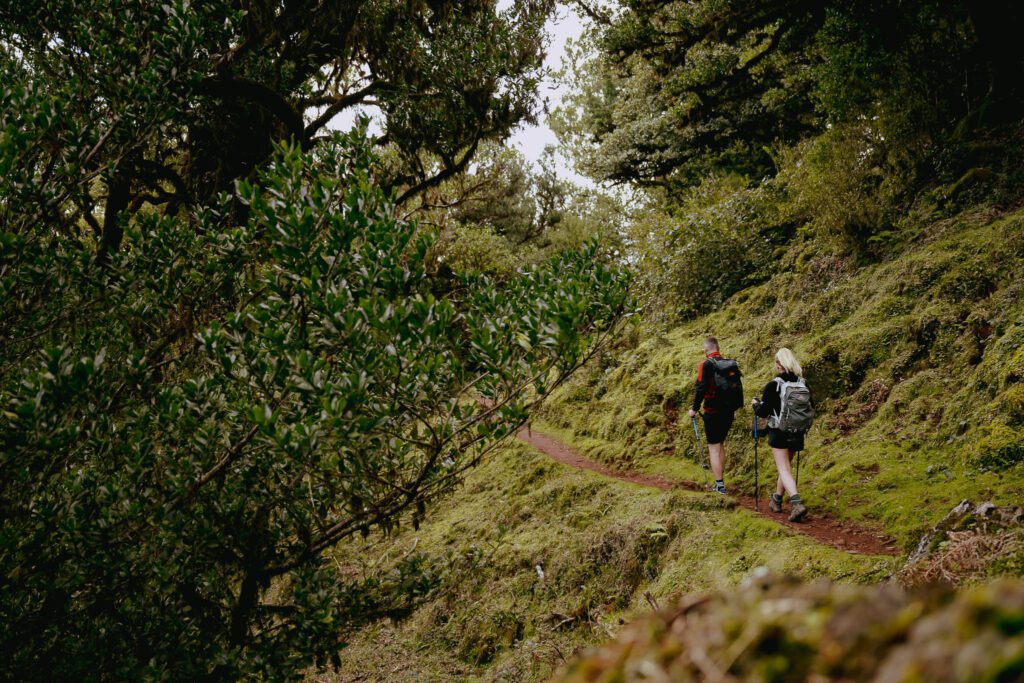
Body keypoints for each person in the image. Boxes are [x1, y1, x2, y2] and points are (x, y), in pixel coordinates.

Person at [752, 348, 810, 522]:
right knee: (786, 468)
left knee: (783, 469)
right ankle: (776, 500)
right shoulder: (803, 383)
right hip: (798, 432)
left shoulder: (774, 385)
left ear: (779, 364)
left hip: (779, 432)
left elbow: (763, 412)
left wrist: (755, 405)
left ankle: (797, 503)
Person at [687, 336, 741, 494]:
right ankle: (720, 480)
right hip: (729, 412)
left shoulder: (705, 364)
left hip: (712, 412)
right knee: (721, 444)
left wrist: (694, 409)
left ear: (706, 349)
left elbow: (701, 388)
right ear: (718, 348)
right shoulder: (729, 364)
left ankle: (719, 485)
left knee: (713, 448)